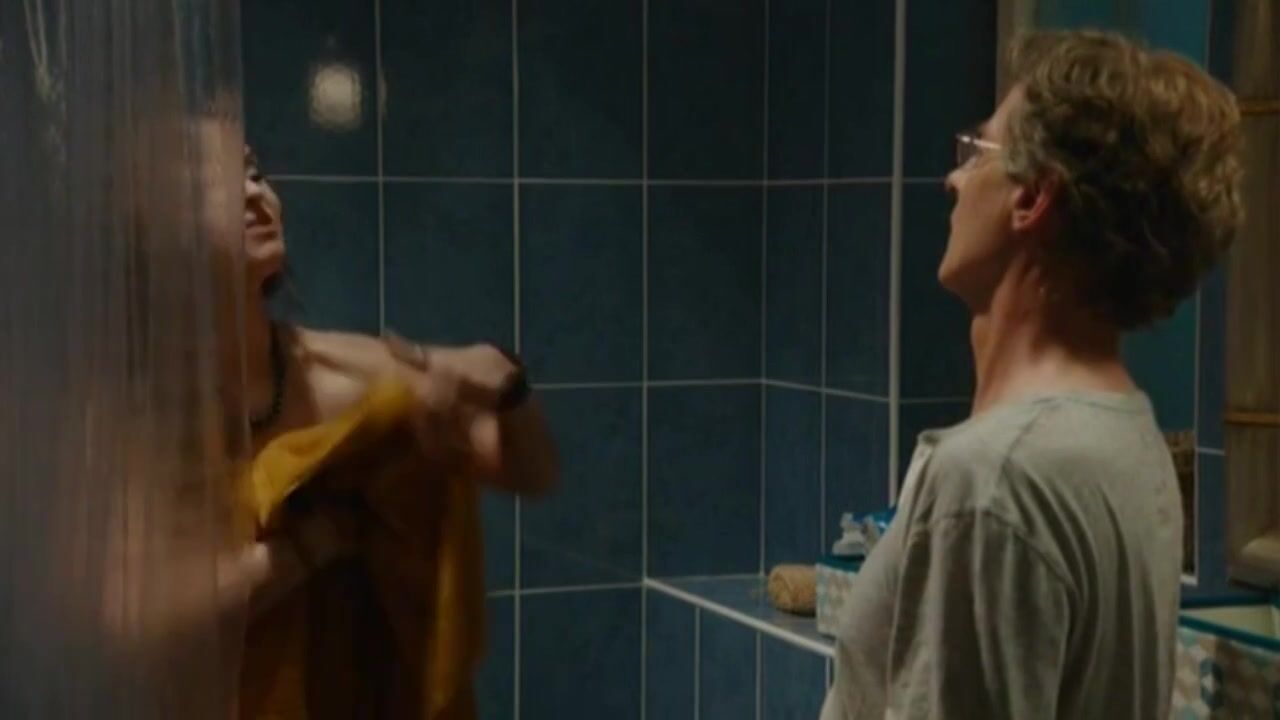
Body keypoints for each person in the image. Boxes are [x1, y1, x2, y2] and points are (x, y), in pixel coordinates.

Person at [821, 30, 1241, 719]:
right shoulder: (1125, 434)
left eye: (978, 153)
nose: (954, 180)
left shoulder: (995, 478)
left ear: (1034, 199)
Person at [232, 144, 559, 613]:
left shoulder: (346, 372)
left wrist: (509, 384)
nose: (253, 192)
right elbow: (140, 616)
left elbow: (530, 472)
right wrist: (320, 538)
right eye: (216, 182)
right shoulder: (140, 416)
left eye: (255, 173)